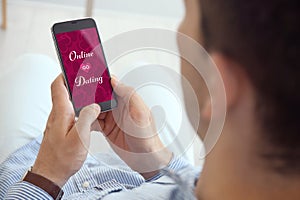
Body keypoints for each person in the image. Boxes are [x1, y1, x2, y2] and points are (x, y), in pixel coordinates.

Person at [1, 0, 299, 199]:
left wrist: (45, 177)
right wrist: (156, 159)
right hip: (137, 174)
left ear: (217, 84)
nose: (181, 31)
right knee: (142, 71)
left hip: (31, 176)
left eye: (187, 14)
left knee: (31, 67)